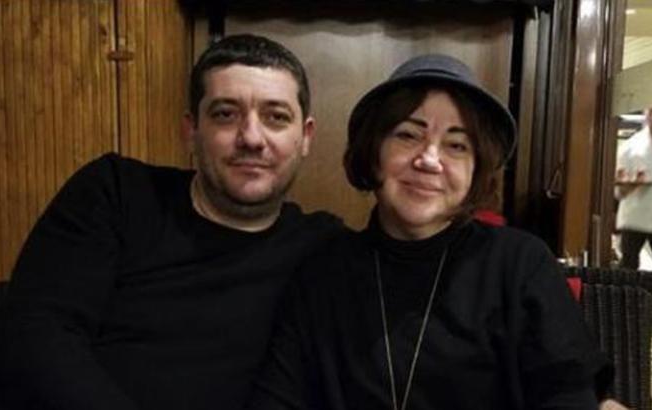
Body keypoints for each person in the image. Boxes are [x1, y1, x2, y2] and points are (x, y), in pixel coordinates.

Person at [0, 34, 342, 410]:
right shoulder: (117, 194)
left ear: (305, 137)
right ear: (191, 130)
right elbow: (31, 339)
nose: (251, 138)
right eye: (225, 114)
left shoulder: (322, 249)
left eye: (276, 117)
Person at [246, 54, 611, 410]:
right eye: (408, 135)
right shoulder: (323, 274)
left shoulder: (519, 264)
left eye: (457, 145)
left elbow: (568, 393)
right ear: (373, 153)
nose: (429, 160)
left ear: (476, 170)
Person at [615, 105, 652, 275]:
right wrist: (630, 185)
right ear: (646, 113)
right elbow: (618, 190)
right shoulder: (630, 147)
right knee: (628, 267)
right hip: (635, 217)